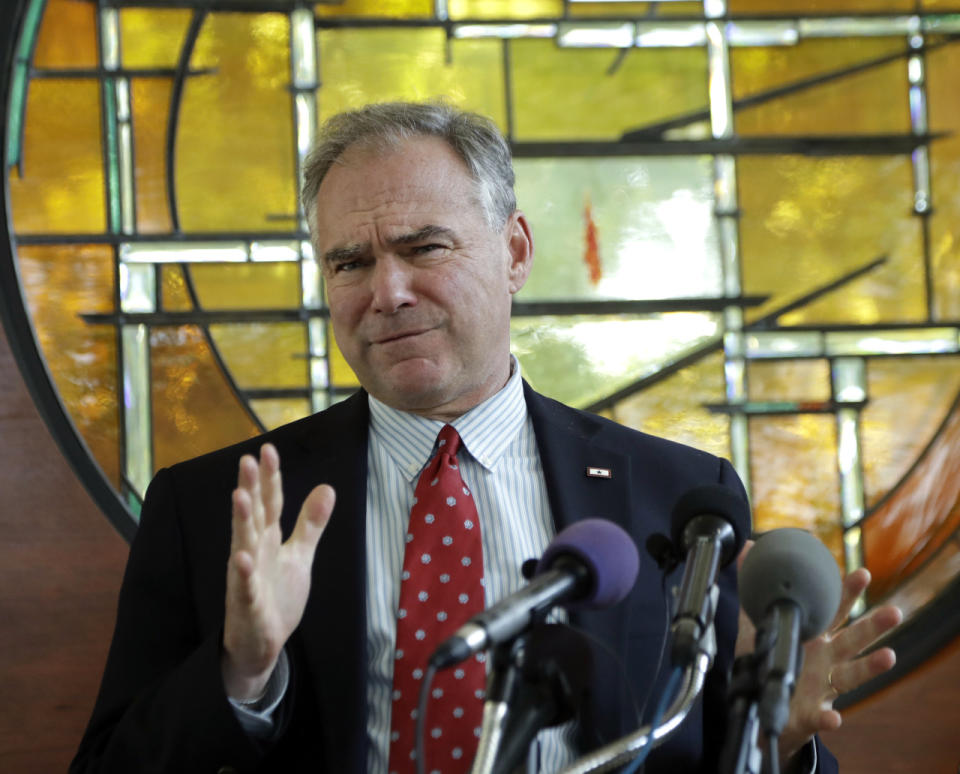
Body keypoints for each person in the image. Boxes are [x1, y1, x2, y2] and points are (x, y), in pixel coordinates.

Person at [71, 101, 900, 774]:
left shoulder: (681, 501)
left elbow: (717, 754)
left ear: (514, 251)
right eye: (349, 263)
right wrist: (241, 675)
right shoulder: (216, 509)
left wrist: (780, 743)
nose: (386, 292)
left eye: (423, 247)